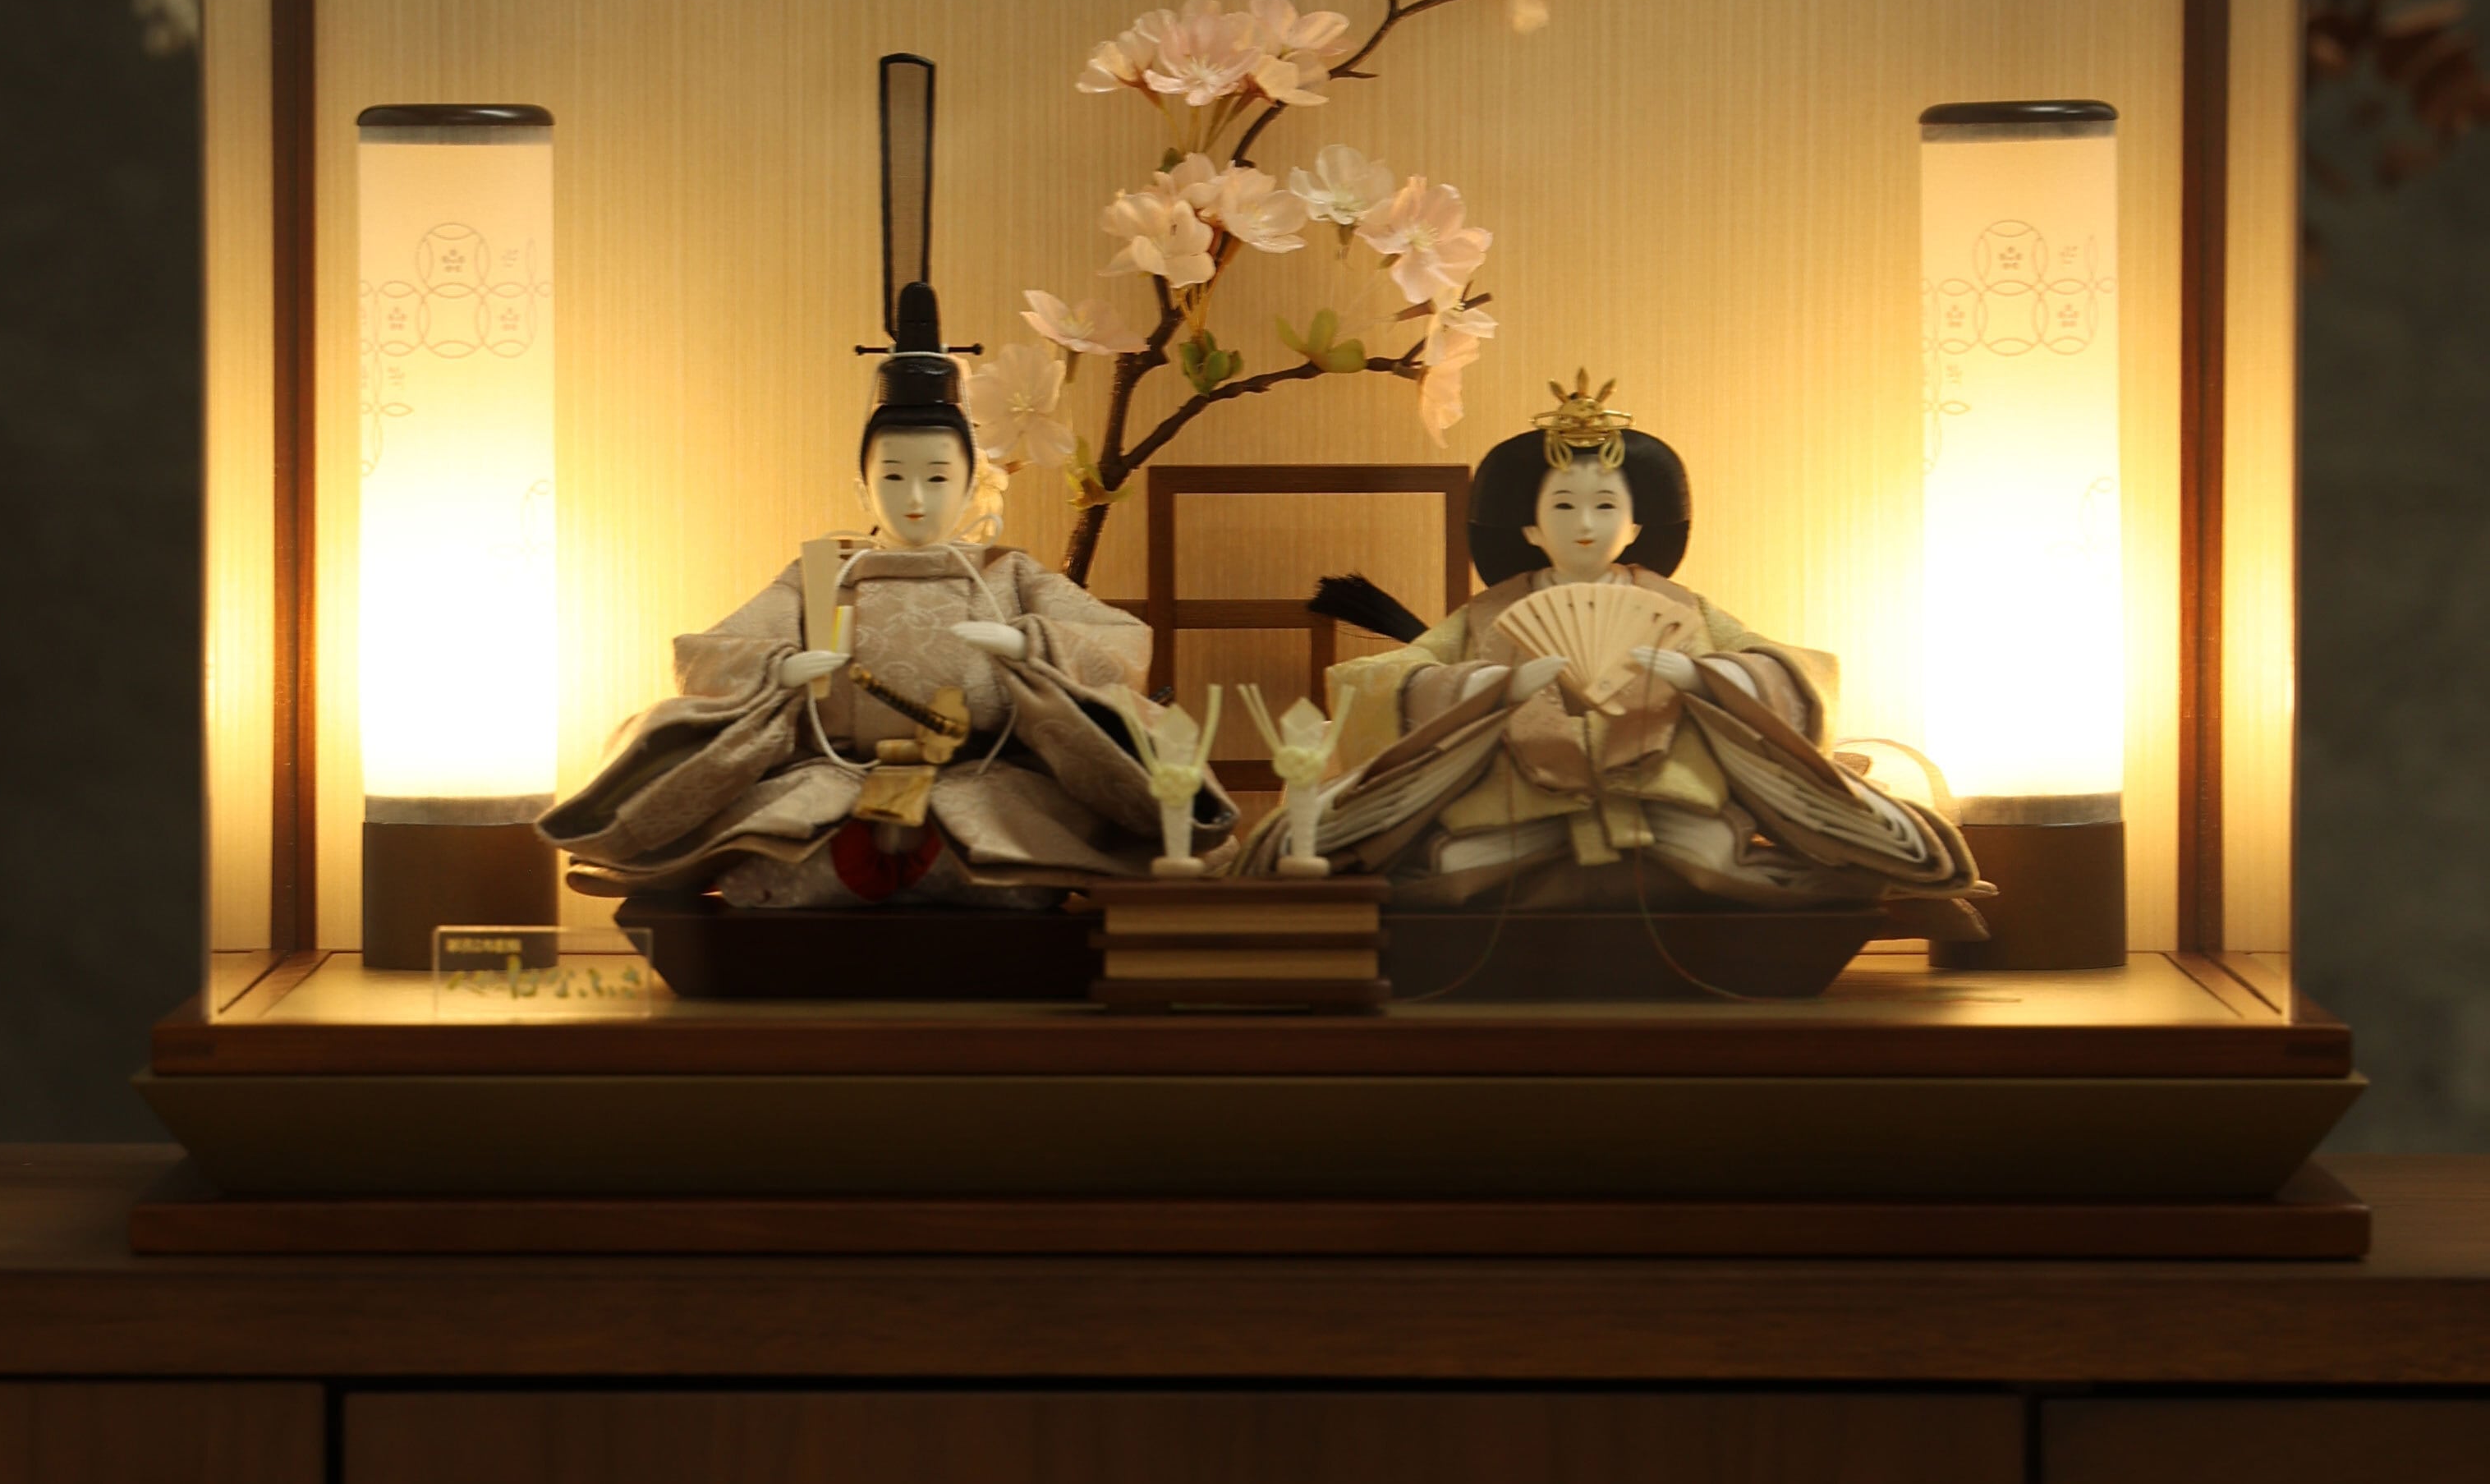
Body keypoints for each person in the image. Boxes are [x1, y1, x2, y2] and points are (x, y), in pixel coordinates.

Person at [542, 284, 1219, 908]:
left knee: (1010, 872)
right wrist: (779, 668)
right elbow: (708, 654)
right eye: (893, 477)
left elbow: (1121, 642)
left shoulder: (1008, 574)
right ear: (863, 489)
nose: (915, 497)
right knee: (777, 867)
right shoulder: (821, 574)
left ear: (970, 486)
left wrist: (1028, 644)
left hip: (978, 779)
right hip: (838, 780)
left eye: (936, 477)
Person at [1281, 373, 1976, 910]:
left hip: (1658, 800)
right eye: (1563, 505)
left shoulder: (1680, 607)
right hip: (1523, 802)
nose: (1584, 523)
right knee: (1453, 870)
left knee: (1716, 860)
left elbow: (1783, 667)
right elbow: (1383, 676)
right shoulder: (1488, 614)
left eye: (1605, 505)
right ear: (1530, 526)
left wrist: (1702, 678)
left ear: (1637, 523)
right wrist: (1488, 688)